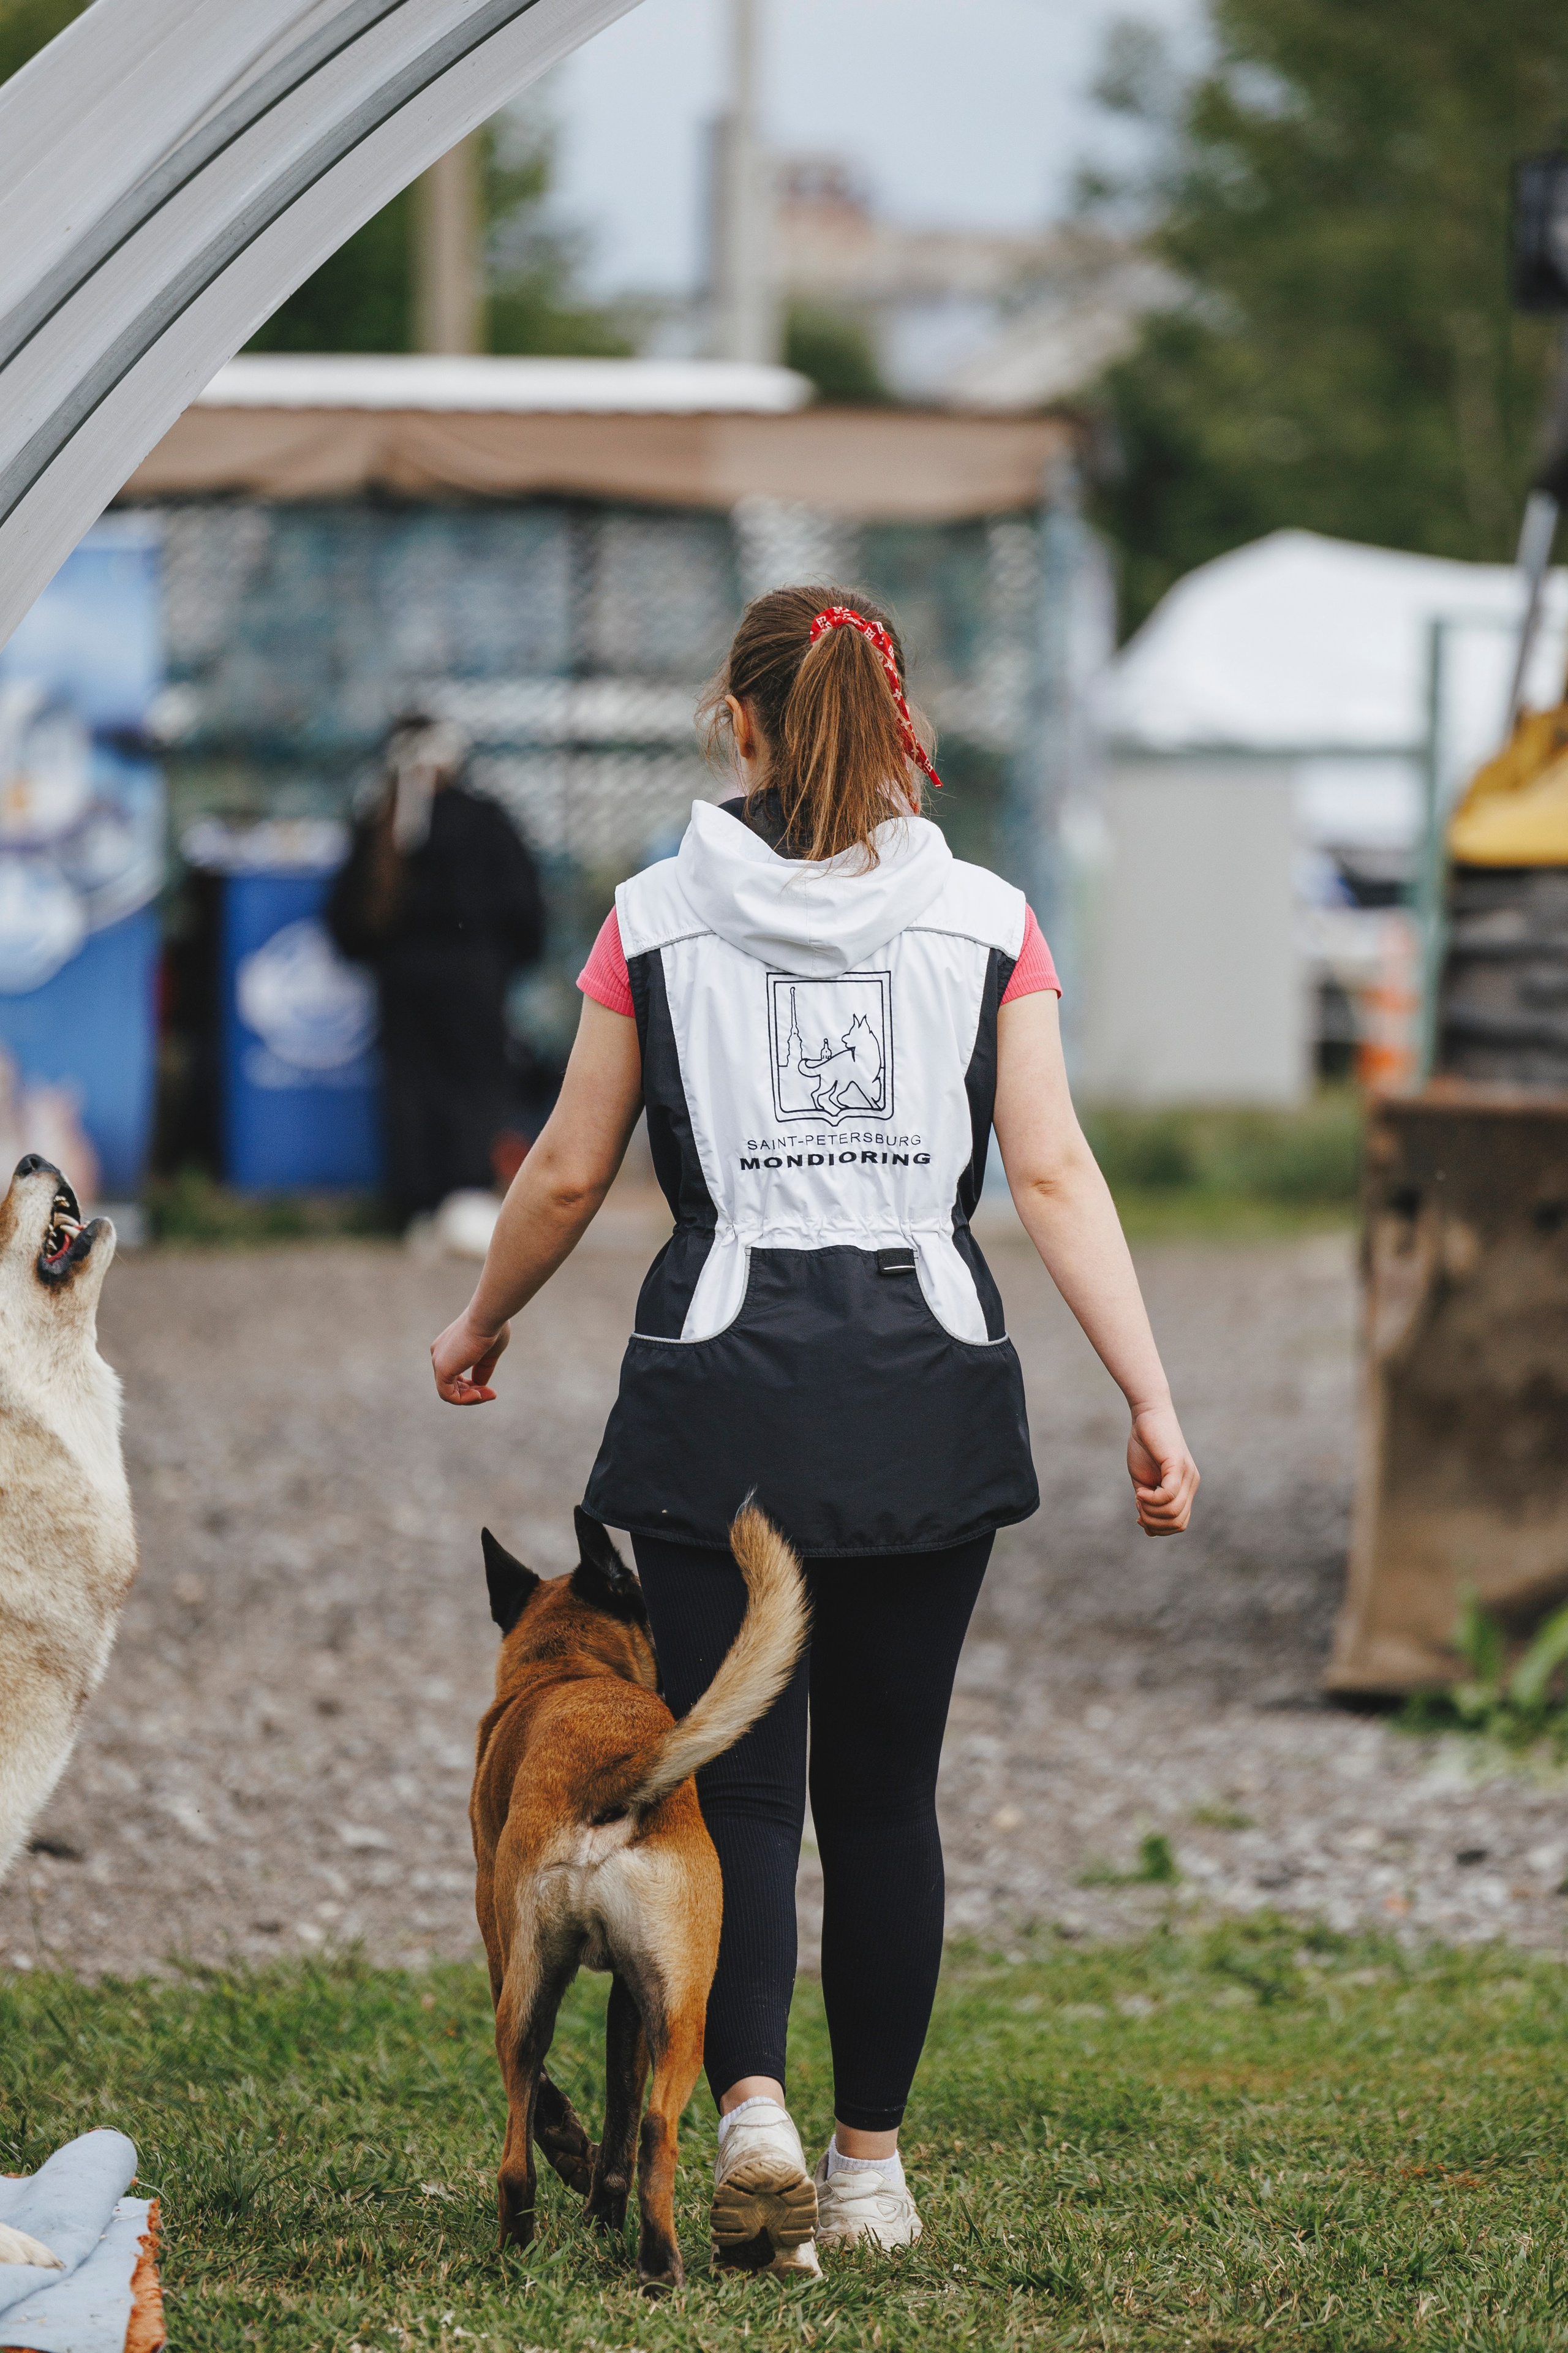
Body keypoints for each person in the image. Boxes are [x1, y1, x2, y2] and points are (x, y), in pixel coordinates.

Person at [430, 587, 1199, 2277]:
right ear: (894, 716)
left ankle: (755, 2109)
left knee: (747, 1803)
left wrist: (484, 1320)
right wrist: (1147, 1393)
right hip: (924, 1394)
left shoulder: (650, 917)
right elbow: (1055, 1173)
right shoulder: (991, 917)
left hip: (722, 1399)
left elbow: (566, 1170)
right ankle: (868, 2172)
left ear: (743, 720)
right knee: (887, 1801)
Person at [327, 715, 545, 1226]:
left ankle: (417, 1208)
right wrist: (501, 961)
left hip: (402, 978)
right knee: (473, 1084)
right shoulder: (486, 819)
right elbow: (525, 909)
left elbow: (349, 917)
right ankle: (465, 1197)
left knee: (410, 1088)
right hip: (475, 979)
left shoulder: (381, 823)